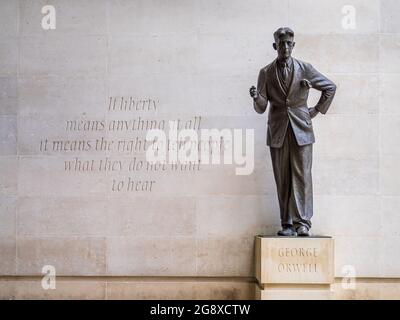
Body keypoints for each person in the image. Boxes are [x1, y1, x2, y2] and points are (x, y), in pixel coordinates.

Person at [249, 27, 336, 237]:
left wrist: (314, 111)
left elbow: (330, 87)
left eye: (289, 43)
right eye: (281, 44)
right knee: (283, 177)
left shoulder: (304, 68)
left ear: (293, 45)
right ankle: (286, 224)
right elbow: (261, 108)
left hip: (302, 130)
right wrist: (256, 97)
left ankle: (303, 223)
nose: (285, 47)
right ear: (275, 46)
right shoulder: (266, 72)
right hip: (278, 130)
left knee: (302, 176)